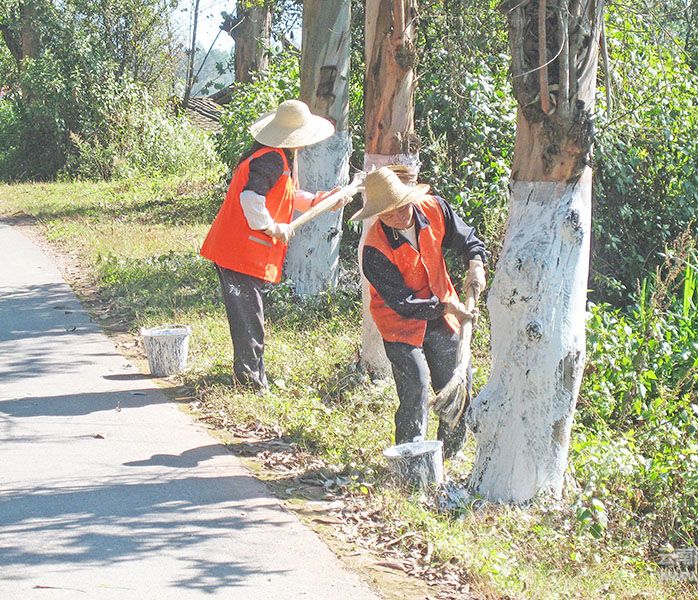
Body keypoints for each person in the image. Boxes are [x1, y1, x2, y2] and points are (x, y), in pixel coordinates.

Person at [201, 99, 344, 393]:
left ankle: (252, 378)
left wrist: (321, 200)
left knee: (249, 319)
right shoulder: (271, 160)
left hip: (241, 252)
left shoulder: (276, 158)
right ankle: (250, 384)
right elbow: (251, 200)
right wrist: (272, 227)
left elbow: (288, 196)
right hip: (239, 252)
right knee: (249, 322)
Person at [353, 166, 487, 458]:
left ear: (408, 198)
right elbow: (403, 303)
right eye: (388, 214)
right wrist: (446, 306)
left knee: (456, 381)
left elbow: (467, 239)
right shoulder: (374, 249)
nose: (398, 217)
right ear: (378, 215)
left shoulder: (434, 209)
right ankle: (410, 456)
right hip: (399, 323)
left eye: (401, 207)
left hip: (442, 311)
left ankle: (449, 453)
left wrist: (476, 263)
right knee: (415, 385)